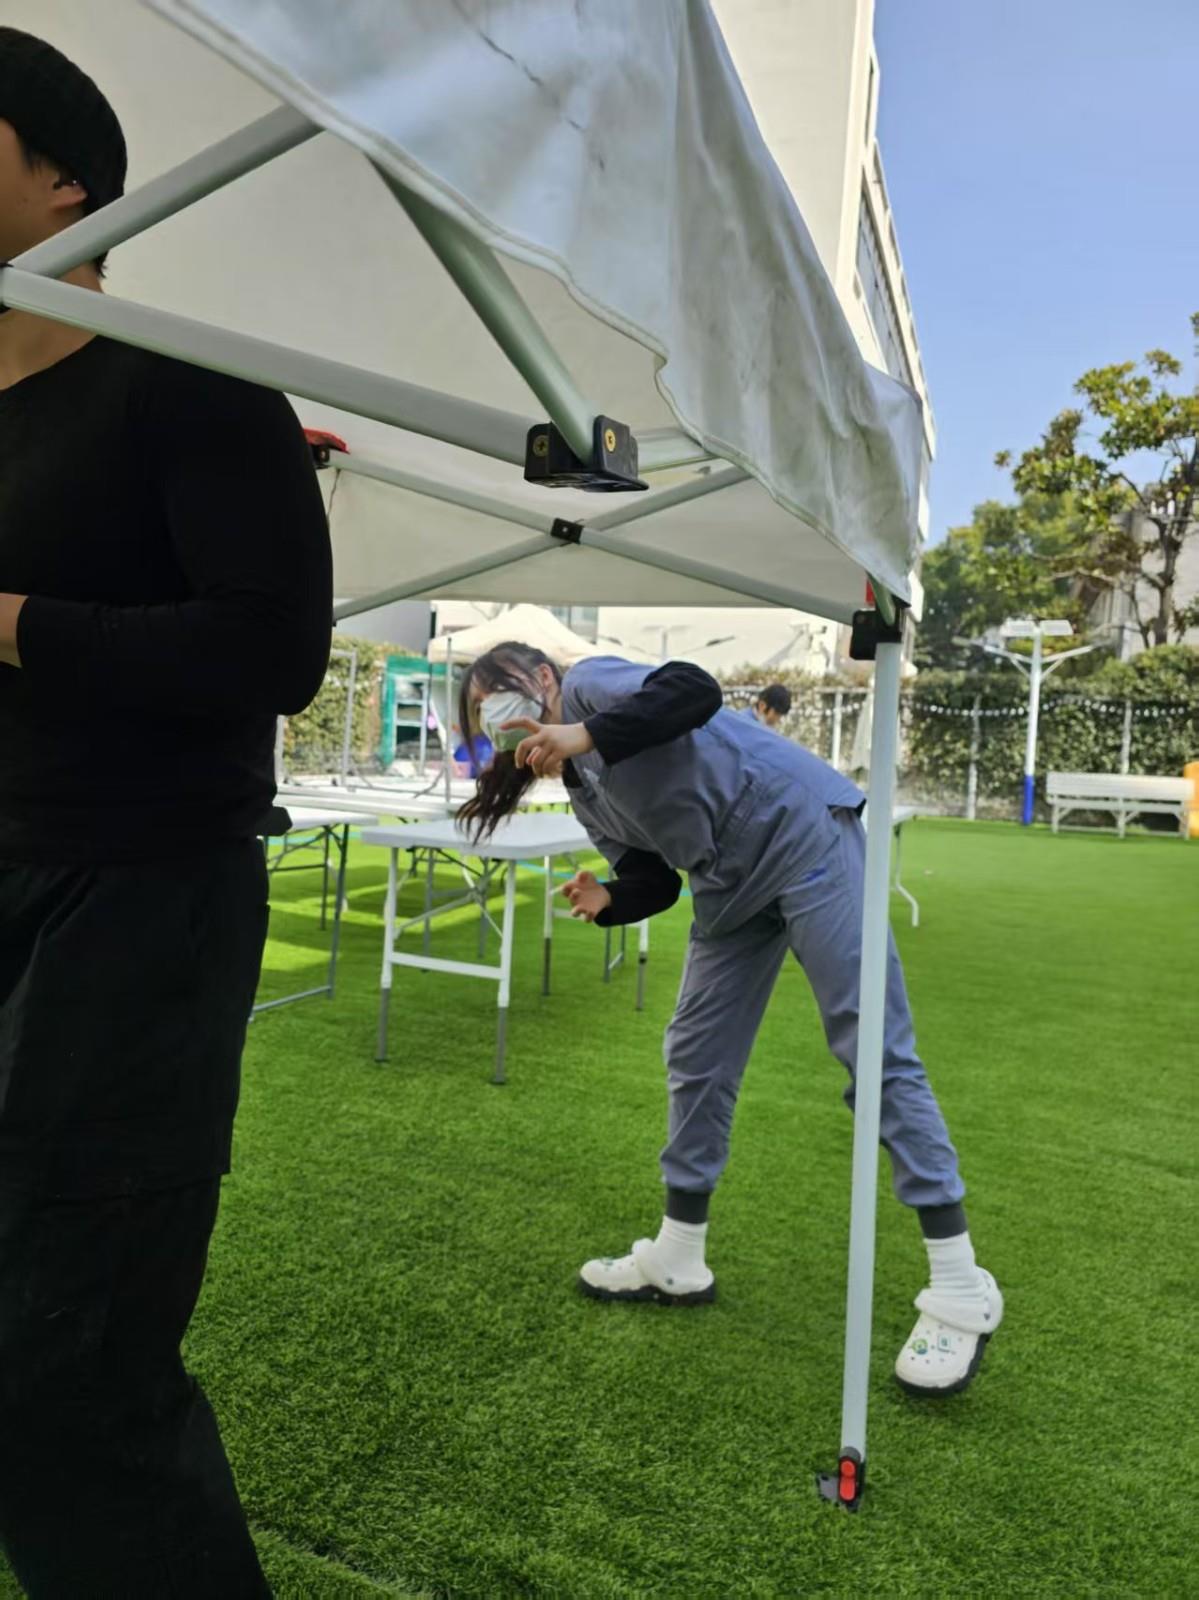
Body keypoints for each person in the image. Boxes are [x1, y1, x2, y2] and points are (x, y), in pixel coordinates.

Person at [0, 30, 332, 1595]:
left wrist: (14, 624)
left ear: (66, 181)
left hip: (137, 907)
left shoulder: (191, 388)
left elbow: (271, 652)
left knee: (65, 1360)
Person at [458, 643, 1003, 1397]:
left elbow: (693, 689)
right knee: (695, 1054)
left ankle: (960, 1284)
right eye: (480, 711)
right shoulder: (583, 791)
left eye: (495, 694)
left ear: (542, 678)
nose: (493, 715)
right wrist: (611, 898)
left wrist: (583, 733)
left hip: (803, 834)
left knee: (871, 1045)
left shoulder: (587, 688)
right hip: (728, 885)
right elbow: (652, 875)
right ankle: (678, 1255)